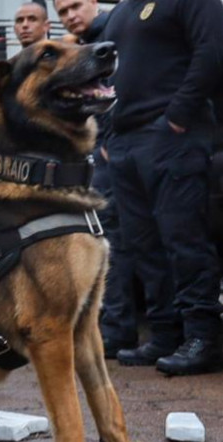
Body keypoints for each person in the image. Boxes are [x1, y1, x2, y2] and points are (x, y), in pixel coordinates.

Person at [104, 0, 223, 375]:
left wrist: (177, 115)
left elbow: (213, 50)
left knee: (183, 238)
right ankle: (165, 333)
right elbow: (108, 75)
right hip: (126, 142)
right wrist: (110, 133)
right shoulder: (122, 11)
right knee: (144, 244)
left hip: (172, 136)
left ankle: (202, 336)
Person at [54, 0, 138, 359]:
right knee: (108, 239)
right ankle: (116, 327)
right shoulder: (82, 43)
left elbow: (125, 90)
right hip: (102, 154)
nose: (71, 15)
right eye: (63, 11)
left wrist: (107, 142)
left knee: (112, 240)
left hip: (117, 150)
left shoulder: (111, 36)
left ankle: (119, 329)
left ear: (93, 2)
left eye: (76, 5)